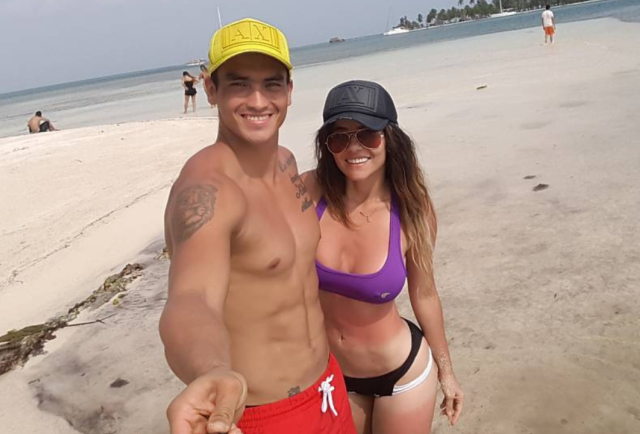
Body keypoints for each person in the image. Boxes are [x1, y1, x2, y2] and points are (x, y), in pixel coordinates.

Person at [160, 18, 356, 434]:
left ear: (289, 91)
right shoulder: (207, 191)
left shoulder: (287, 163)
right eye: (239, 84)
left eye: (271, 84)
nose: (257, 100)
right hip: (262, 415)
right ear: (210, 89)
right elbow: (191, 298)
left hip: (328, 387)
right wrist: (211, 370)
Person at [301, 80, 464, 433]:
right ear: (327, 145)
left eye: (367, 134)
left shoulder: (413, 210)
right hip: (331, 373)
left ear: (390, 138)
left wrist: (447, 373)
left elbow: (425, 295)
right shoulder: (309, 192)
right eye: (339, 137)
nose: (353, 147)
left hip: (402, 375)